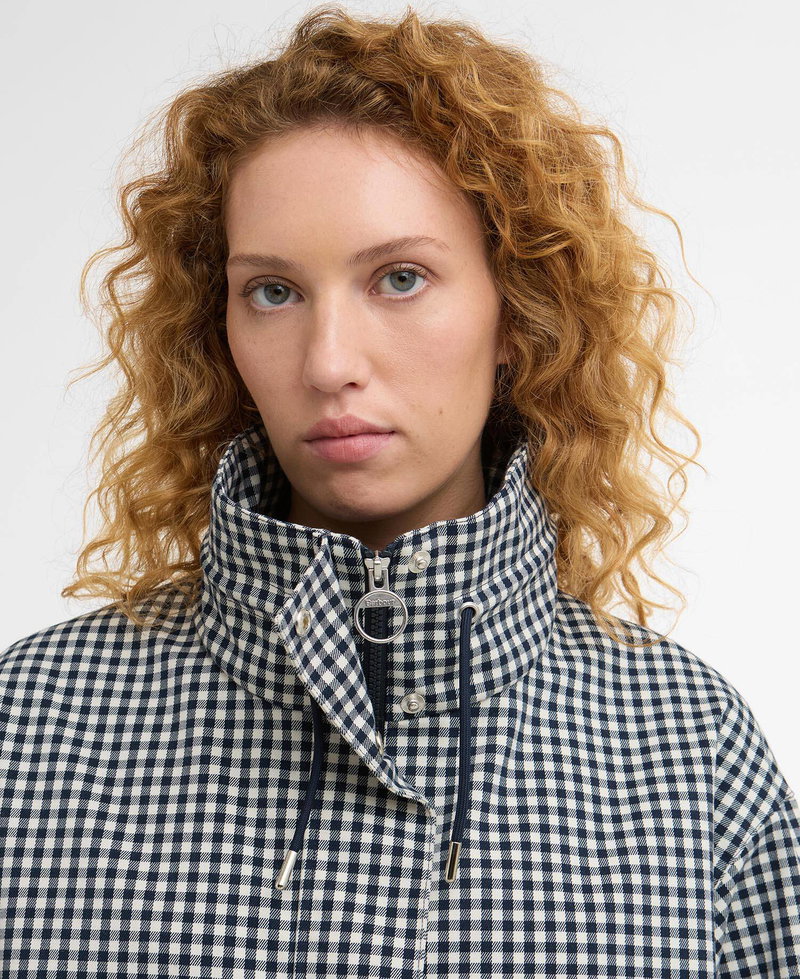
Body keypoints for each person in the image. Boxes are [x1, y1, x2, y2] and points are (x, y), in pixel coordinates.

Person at [2, 5, 798, 977]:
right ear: (220, 331)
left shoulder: (688, 754)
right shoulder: (35, 726)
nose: (329, 362)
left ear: (518, 313)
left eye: (400, 278)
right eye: (273, 292)